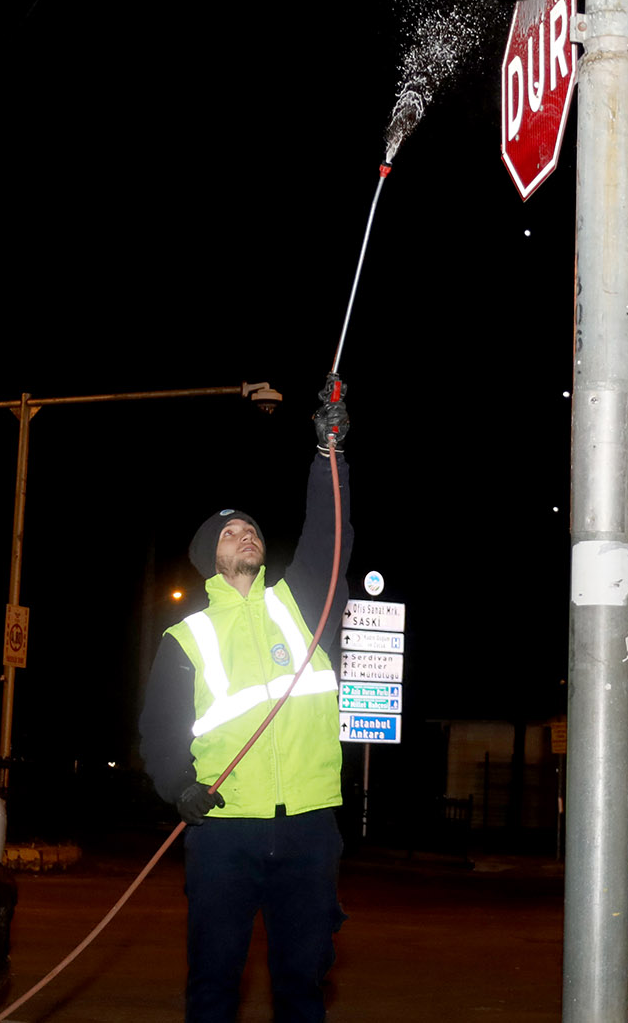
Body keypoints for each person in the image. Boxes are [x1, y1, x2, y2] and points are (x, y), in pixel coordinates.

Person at [139, 376, 353, 1023]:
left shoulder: (300, 603)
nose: (247, 534)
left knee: (302, 986)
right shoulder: (188, 635)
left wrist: (330, 456)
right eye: (232, 531)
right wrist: (179, 785)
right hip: (224, 830)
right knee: (213, 985)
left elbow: (330, 536)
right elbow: (161, 729)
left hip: (311, 826)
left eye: (252, 528)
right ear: (209, 556)